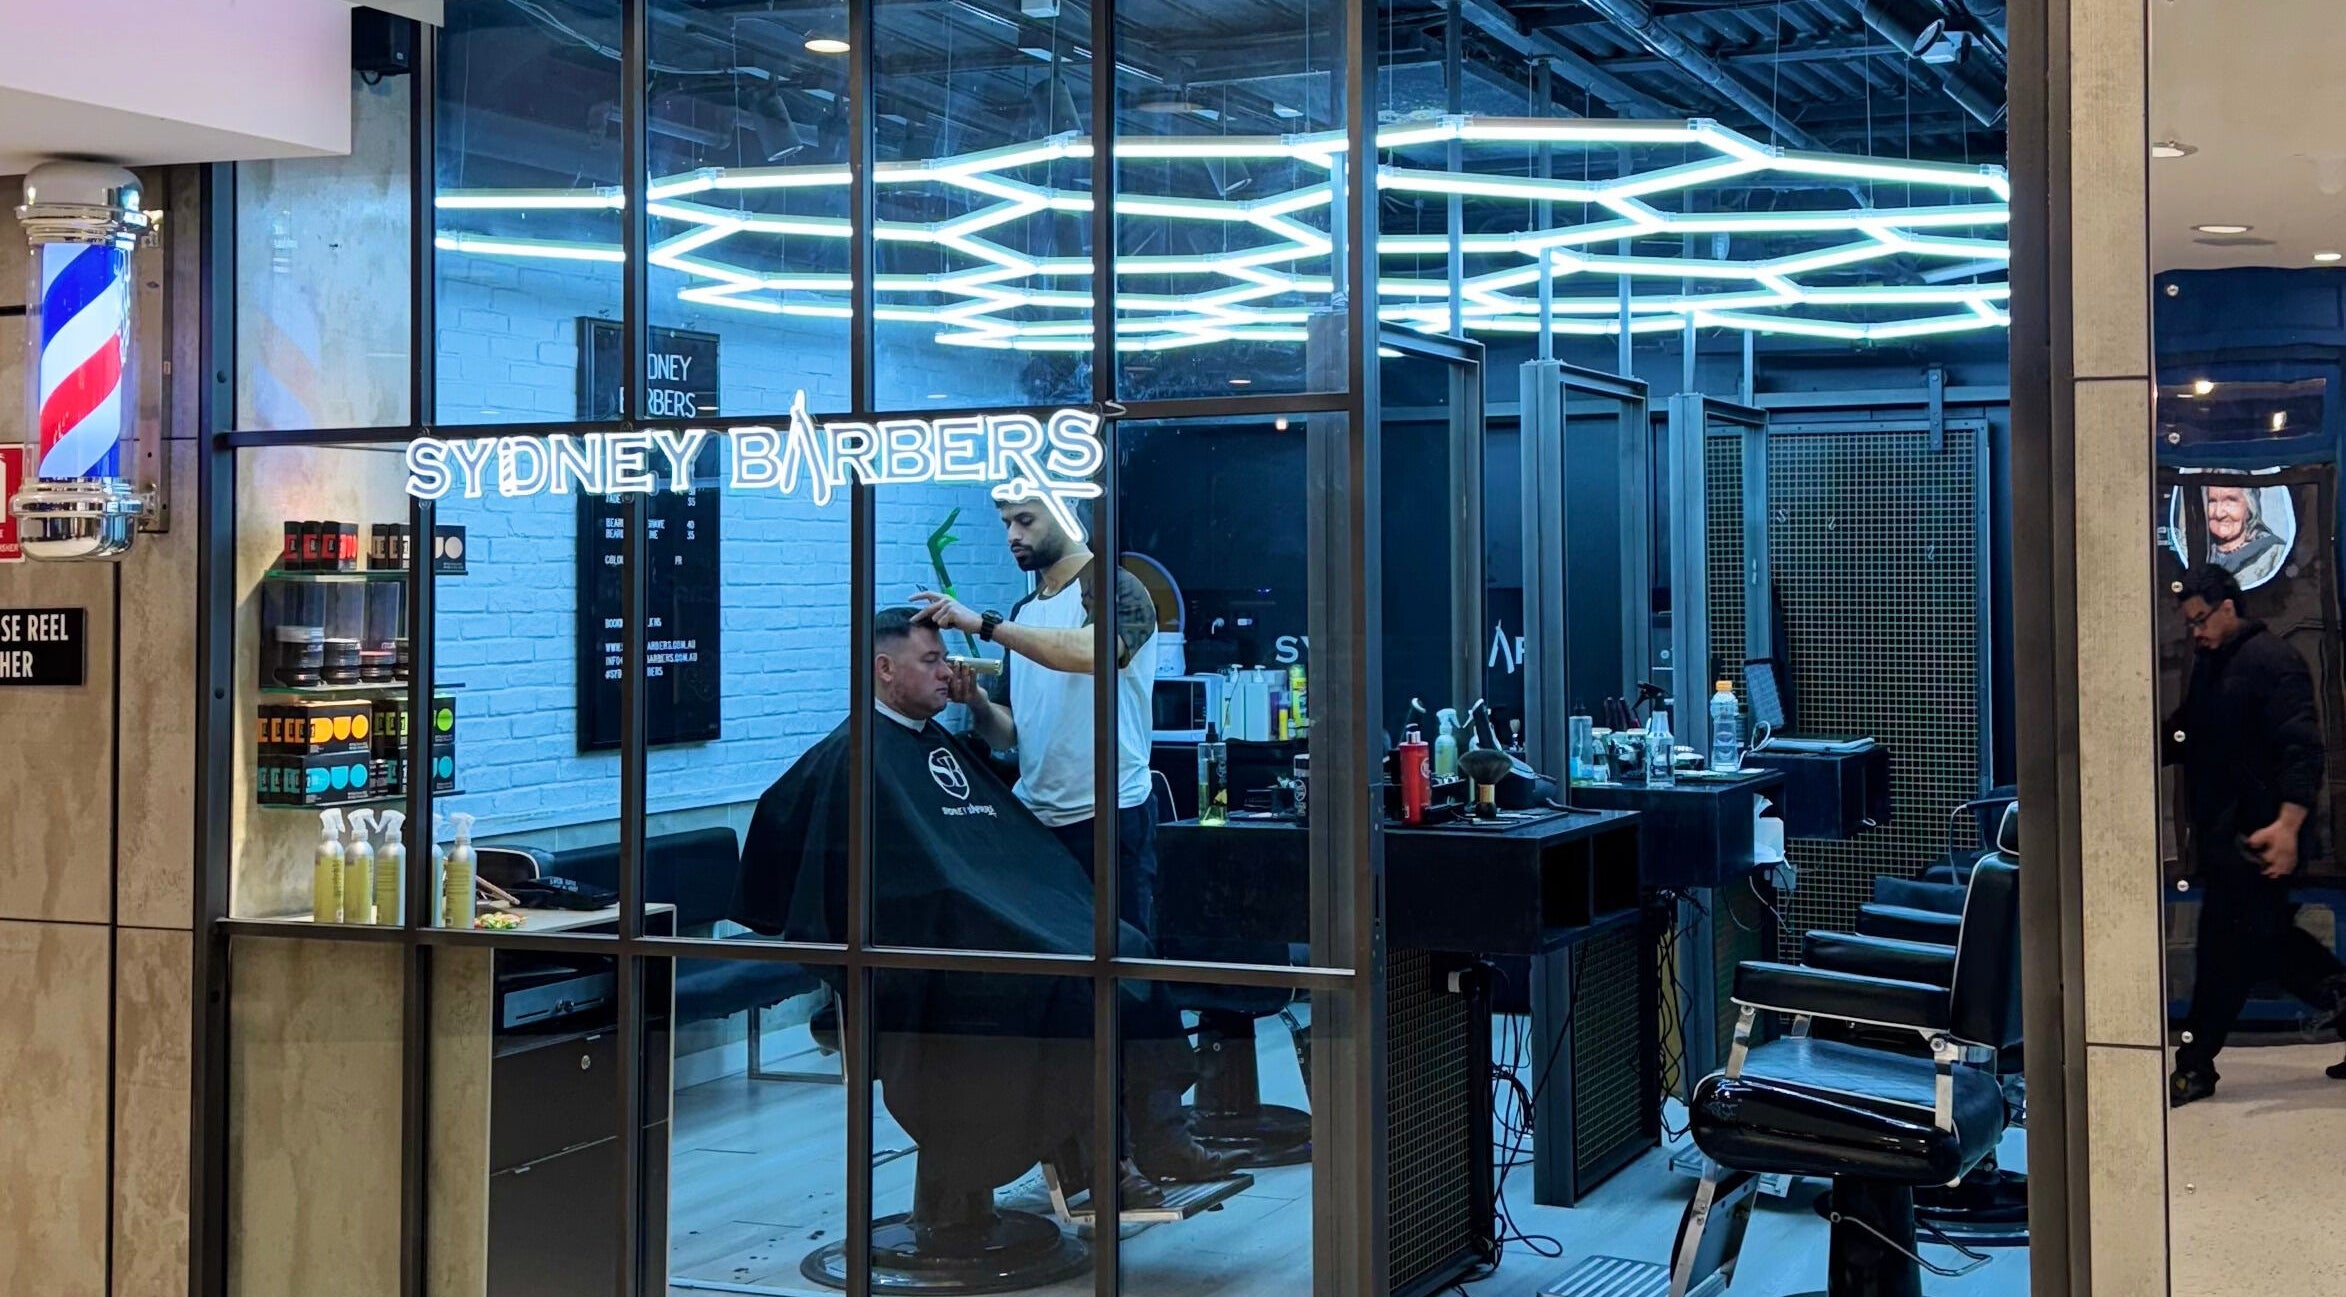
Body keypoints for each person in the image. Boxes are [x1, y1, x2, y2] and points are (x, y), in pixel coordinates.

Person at [732, 608, 1240, 1190]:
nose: (946, 672)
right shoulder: (852, 757)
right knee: (1074, 986)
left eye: (945, 659)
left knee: (1127, 947)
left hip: (991, 921)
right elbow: (897, 885)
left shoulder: (934, 741)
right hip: (937, 953)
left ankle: (1162, 1135)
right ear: (885, 669)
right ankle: (1104, 1167)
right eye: (931, 661)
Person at [911, 496, 1164, 937]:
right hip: (1037, 820)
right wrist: (977, 703)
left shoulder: (1117, 588)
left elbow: (1094, 652)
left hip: (1110, 815)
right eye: (1007, 523)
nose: (1013, 535)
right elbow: (1009, 733)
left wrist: (986, 626)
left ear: (1065, 512)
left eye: (1025, 520)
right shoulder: (1024, 612)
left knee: (1120, 957)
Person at [2165, 565, 2346, 1106]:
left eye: (2201, 619)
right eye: (2190, 622)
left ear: (2228, 608)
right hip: (2231, 836)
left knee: (2224, 953)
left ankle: (2195, 1066)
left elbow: (2301, 749)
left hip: (2262, 835)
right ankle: (2197, 1064)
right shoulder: (2213, 663)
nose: (2196, 631)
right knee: (2267, 945)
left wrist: (2288, 825)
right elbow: (2191, 730)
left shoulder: (2273, 662)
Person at [2203, 485, 2288, 588]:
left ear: (2250, 508)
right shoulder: (2194, 552)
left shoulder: (2275, 554)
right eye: (2211, 501)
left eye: (2230, 501)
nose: (2218, 513)